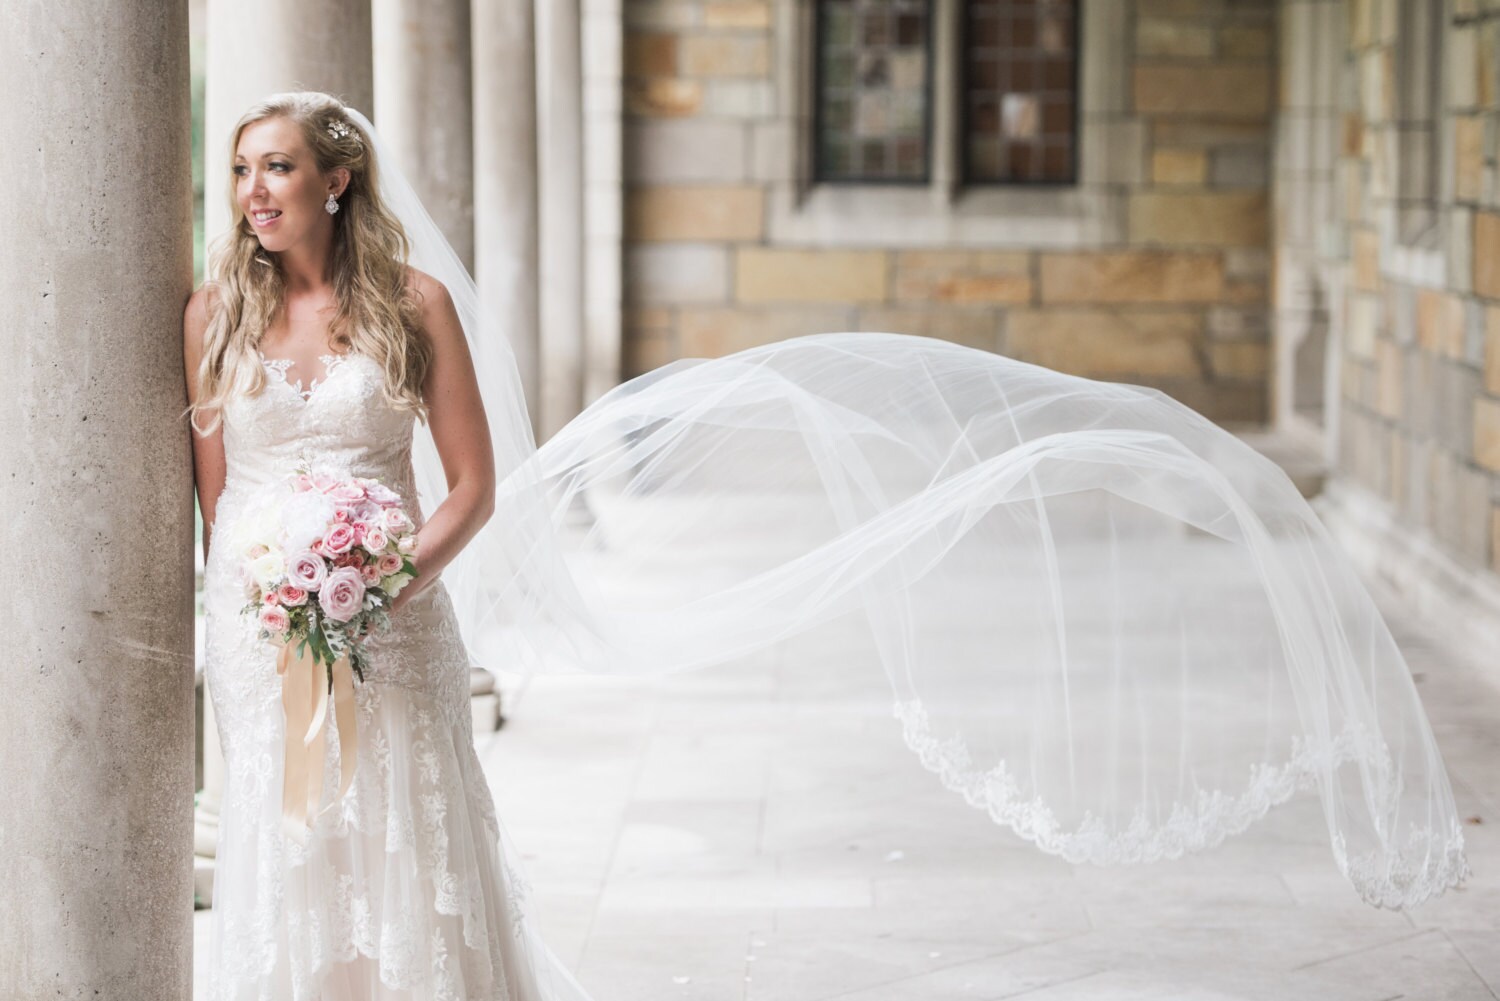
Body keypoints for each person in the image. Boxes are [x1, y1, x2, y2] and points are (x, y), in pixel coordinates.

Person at [186, 92, 1469, 1000]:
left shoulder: (414, 306)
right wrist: (263, 601)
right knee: (283, 833)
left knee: (401, 832)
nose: (255, 192)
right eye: (243, 169)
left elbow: (469, 486)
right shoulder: (212, 316)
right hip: (259, 628)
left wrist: (385, 582)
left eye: (278, 167)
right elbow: (216, 492)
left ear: (336, 178)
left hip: (396, 619)